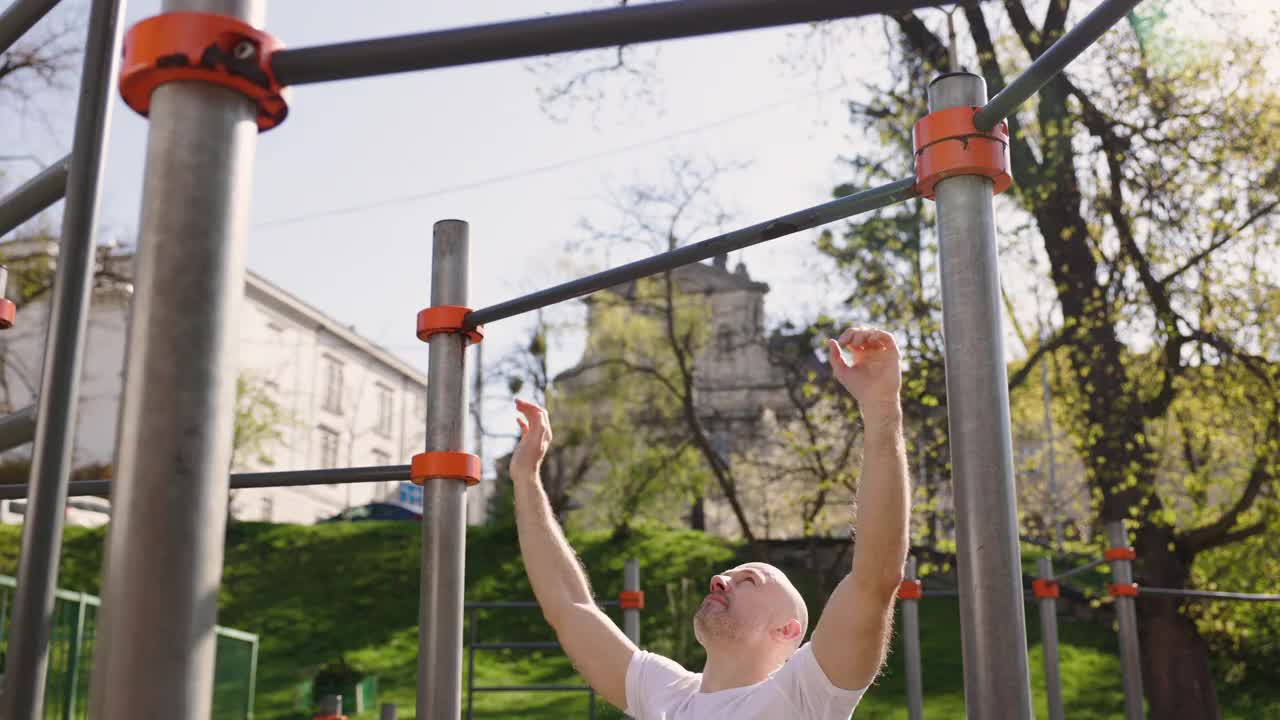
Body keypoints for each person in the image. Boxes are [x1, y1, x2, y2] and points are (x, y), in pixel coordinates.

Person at [509, 326, 910, 719]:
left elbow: (875, 576)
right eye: (730, 575)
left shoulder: (805, 696)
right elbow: (568, 606)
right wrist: (526, 480)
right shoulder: (665, 695)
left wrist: (881, 412)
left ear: (787, 632)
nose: (720, 579)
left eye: (749, 580)